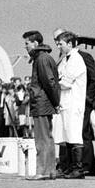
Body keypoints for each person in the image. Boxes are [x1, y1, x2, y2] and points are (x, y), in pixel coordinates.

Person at [23, 31, 60, 180]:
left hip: (41, 103)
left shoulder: (41, 59)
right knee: (48, 137)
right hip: (45, 102)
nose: (25, 47)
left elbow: (49, 82)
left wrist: (55, 101)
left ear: (35, 43)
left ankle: (42, 171)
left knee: (41, 139)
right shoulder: (44, 58)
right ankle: (50, 170)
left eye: (27, 43)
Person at [52, 31, 88, 179]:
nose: (58, 46)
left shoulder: (76, 59)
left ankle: (78, 169)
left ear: (70, 44)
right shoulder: (65, 59)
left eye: (61, 44)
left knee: (74, 135)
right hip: (65, 103)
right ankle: (69, 167)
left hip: (74, 103)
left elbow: (65, 82)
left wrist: (54, 84)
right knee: (65, 135)